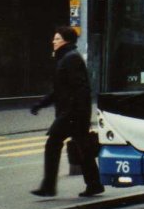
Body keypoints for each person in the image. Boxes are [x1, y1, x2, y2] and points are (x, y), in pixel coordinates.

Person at [30, 26, 104, 198]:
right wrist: (41, 104)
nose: (53, 42)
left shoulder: (70, 59)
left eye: (56, 39)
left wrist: (71, 113)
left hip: (71, 114)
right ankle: (94, 184)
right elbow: (59, 90)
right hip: (74, 114)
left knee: (53, 144)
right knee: (83, 149)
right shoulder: (67, 58)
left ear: (65, 41)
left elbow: (80, 89)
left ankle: (49, 186)